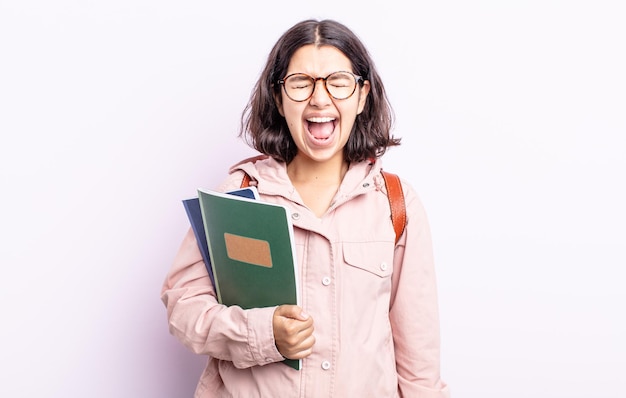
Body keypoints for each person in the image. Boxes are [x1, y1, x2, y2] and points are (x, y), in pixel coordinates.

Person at [161, 19, 450, 398]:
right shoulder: (240, 193)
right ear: (279, 98)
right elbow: (183, 307)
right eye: (301, 83)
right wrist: (264, 335)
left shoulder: (395, 203)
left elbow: (419, 365)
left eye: (338, 81)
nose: (319, 98)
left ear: (362, 95)